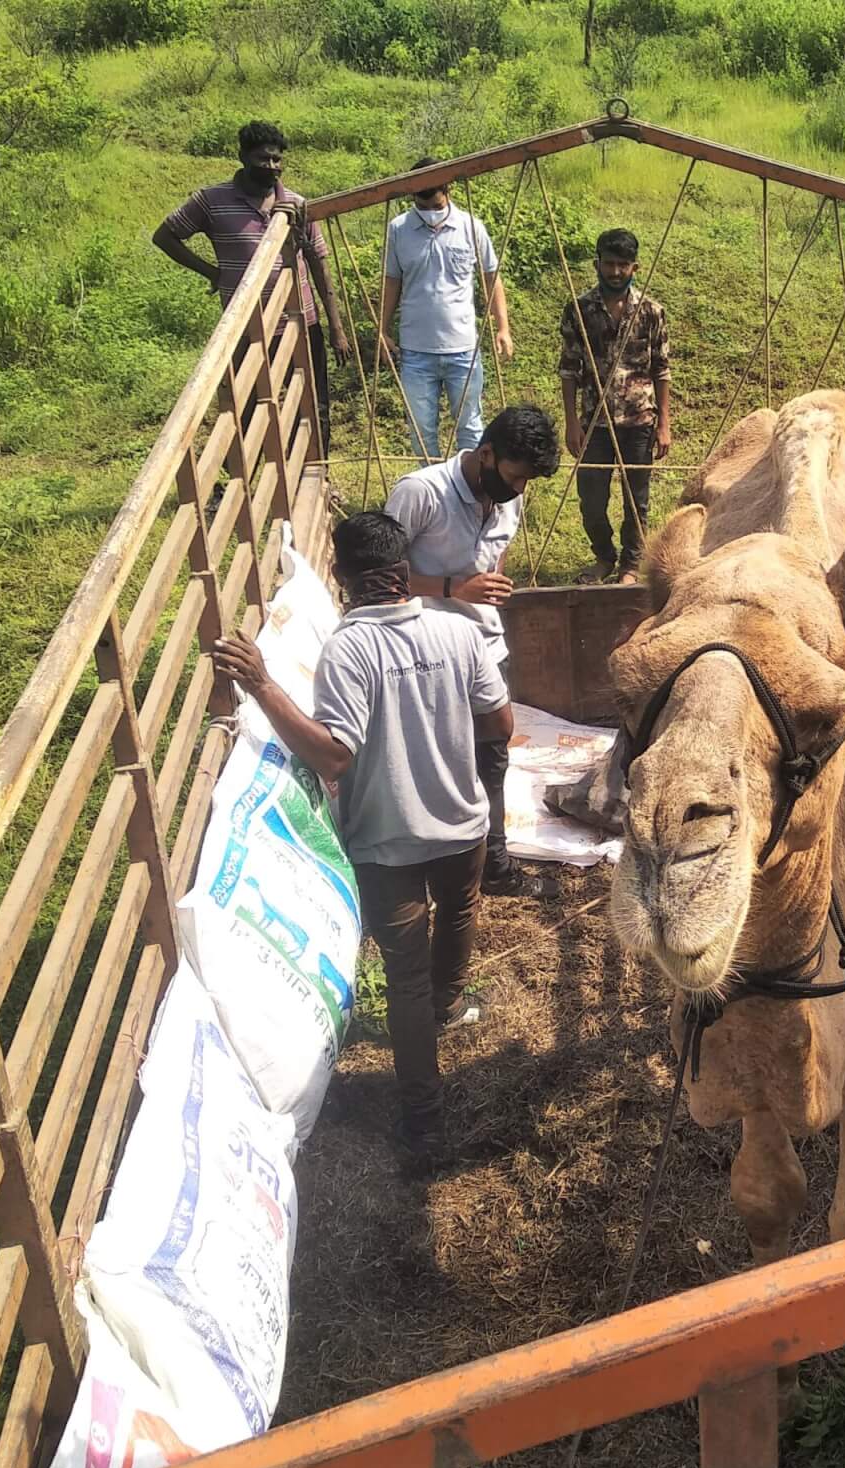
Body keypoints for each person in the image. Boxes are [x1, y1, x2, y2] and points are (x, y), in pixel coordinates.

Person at [212, 512, 511, 1171]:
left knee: (402, 976)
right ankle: (450, 1003)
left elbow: (334, 757)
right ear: (405, 569)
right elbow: (501, 721)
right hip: (463, 824)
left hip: (386, 839)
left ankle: (425, 1124)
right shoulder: (458, 628)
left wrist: (261, 685)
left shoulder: (348, 649)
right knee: (460, 913)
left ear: (344, 580)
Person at [386, 403, 561, 894]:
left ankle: (494, 863)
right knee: (437, 753)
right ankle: (436, 863)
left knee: (494, 746)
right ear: (486, 454)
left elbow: (493, 557)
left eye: (527, 481)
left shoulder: (510, 499)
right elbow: (377, 574)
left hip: (482, 639)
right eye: (514, 475)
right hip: (424, 645)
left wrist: (487, 586)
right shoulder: (421, 493)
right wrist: (452, 588)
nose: (519, 489)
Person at [154, 120, 349, 451]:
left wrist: (336, 327)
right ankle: (242, 488)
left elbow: (319, 264)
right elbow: (165, 236)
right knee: (243, 407)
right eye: (263, 159)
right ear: (242, 156)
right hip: (245, 328)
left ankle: (316, 476)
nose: (272, 167)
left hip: (301, 322)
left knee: (313, 404)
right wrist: (212, 272)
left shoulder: (298, 205)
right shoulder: (211, 201)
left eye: (277, 160)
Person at [379, 158, 515, 461]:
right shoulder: (399, 229)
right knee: (422, 432)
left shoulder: (470, 227)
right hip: (416, 351)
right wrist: (382, 329)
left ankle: (472, 494)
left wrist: (503, 327)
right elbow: (391, 280)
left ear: (447, 189)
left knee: (470, 429)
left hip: (463, 349)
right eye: (422, 201)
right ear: (412, 195)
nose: (429, 210)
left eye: (435, 202)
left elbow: (491, 278)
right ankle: (434, 500)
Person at [559, 228, 672, 584]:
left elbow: (662, 369)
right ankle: (604, 557)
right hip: (595, 421)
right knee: (591, 499)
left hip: (639, 418)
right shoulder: (579, 310)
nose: (615, 272)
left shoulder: (652, 311)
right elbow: (569, 368)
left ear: (635, 267)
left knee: (635, 500)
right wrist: (572, 421)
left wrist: (664, 423)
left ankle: (630, 565)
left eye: (623, 265)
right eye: (609, 264)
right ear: (597, 264)